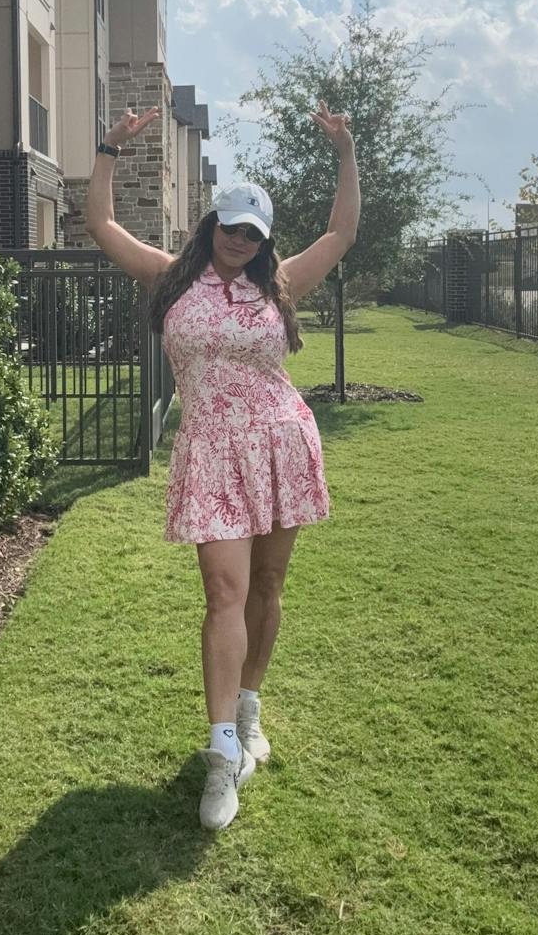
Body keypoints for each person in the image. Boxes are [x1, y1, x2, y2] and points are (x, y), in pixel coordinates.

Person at [84, 100, 360, 830]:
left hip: (280, 444)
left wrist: (345, 154)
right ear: (213, 224)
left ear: (264, 241)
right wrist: (109, 149)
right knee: (223, 592)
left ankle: (249, 707)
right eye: (232, 226)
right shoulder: (172, 277)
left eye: (253, 233)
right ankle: (221, 755)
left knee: (266, 585)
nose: (241, 240)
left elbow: (341, 232)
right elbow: (102, 225)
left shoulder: (278, 284)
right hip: (209, 450)